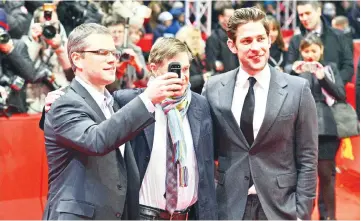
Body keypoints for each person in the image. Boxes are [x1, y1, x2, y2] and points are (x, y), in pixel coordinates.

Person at [42, 37, 217, 220]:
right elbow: (92, 106)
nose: (182, 76)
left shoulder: (200, 105)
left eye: (186, 69)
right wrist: (54, 101)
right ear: (154, 69)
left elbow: (207, 163)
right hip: (142, 214)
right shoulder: (128, 101)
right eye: (174, 69)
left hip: (189, 215)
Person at [202, 7, 318, 220]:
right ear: (232, 45)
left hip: (281, 207)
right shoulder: (213, 88)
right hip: (228, 206)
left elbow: (308, 156)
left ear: (269, 41)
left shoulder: (297, 89)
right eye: (246, 41)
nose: (256, 47)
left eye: (260, 39)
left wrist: (302, 211)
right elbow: (205, 154)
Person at [291, 33, 346, 220]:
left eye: (313, 50)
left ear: (321, 50)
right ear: (300, 52)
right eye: (306, 51)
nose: (310, 55)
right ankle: (302, 215)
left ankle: (328, 217)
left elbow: (340, 95)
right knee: (303, 177)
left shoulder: (331, 69)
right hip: (299, 128)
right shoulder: (294, 71)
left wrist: (322, 77)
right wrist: (293, 74)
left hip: (326, 129)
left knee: (326, 176)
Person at [285, 0, 353, 85]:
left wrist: (334, 86)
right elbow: (288, 67)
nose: (304, 18)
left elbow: (348, 67)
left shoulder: (339, 36)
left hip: (333, 94)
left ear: (318, 11)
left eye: (308, 13)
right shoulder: (295, 40)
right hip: (304, 93)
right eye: (301, 15)